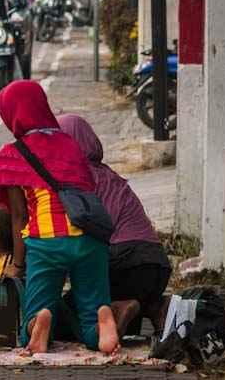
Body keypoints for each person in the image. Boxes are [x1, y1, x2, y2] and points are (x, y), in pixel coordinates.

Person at [0, 80, 119, 355]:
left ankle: (38, 324)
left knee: (33, 320)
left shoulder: (12, 155)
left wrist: (18, 265)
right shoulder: (71, 145)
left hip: (46, 242)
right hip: (90, 238)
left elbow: (19, 216)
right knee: (90, 315)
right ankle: (102, 324)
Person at [57, 114, 171, 335]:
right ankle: (151, 306)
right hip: (155, 266)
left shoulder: (76, 180)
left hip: (120, 265)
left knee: (64, 322)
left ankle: (120, 306)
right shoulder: (110, 176)